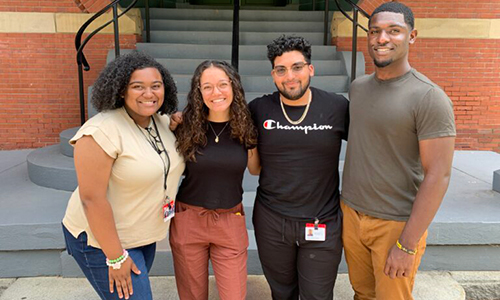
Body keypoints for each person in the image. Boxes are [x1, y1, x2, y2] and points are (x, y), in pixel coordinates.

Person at [341, 2, 456, 300]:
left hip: (395, 223)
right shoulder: (358, 88)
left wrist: (407, 244)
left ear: (412, 36)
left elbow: (439, 175)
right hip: (351, 215)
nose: (382, 39)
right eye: (375, 31)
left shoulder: (430, 97)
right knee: (362, 294)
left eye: (394, 31)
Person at [62, 51, 185, 300]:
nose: (149, 94)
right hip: (102, 241)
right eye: (138, 87)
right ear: (121, 90)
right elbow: (91, 199)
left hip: (141, 233)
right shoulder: (99, 132)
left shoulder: (161, 121)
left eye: (156, 86)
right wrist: (116, 257)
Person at [248, 35, 349, 300]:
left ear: (310, 69)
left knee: (317, 295)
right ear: (273, 74)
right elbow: (222, 128)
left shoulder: (337, 107)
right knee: (282, 294)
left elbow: (372, 142)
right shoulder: (259, 110)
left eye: (297, 67)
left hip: (322, 221)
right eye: (281, 70)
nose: (290, 76)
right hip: (272, 220)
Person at [169, 60, 257, 300]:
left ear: (233, 86)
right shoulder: (184, 124)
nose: (215, 92)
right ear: (198, 91)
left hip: (230, 220)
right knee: (192, 296)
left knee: (233, 295)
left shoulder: (247, 125)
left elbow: (256, 169)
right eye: (207, 87)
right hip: (189, 219)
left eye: (222, 84)